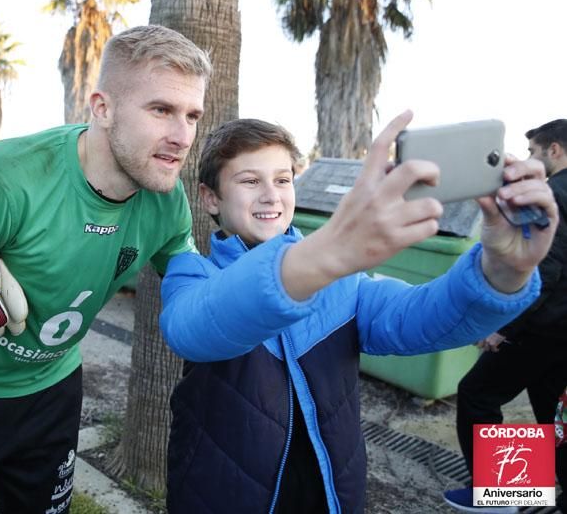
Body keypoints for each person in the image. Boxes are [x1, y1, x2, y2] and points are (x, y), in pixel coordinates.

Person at [0, 25, 211, 514]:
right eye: (161, 109)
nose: (182, 136)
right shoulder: (7, 177)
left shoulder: (166, 199)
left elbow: (196, 296)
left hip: (53, 394)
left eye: (192, 116)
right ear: (102, 107)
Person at [157, 116, 556, 513]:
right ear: (211, 198)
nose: (271, 195)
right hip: (220, 497)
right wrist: (327, 255)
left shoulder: (343, 283)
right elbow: (193, 327)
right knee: (491, 399)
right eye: (249, 181)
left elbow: (419, 317)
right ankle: (517, 494)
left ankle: (515, 496)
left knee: (507, 407)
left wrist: (505, 269)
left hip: (332, 497)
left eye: (282, 179)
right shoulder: (194, 273)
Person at [444, 119, 567, 513]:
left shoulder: (554, 194)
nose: (531, 158)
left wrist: (504, 326)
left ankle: (502, 496)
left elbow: (544, 270)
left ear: (555, 150)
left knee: (478, 394)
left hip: (541, 328)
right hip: (561, 332)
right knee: (553, 412)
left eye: (533, 151)